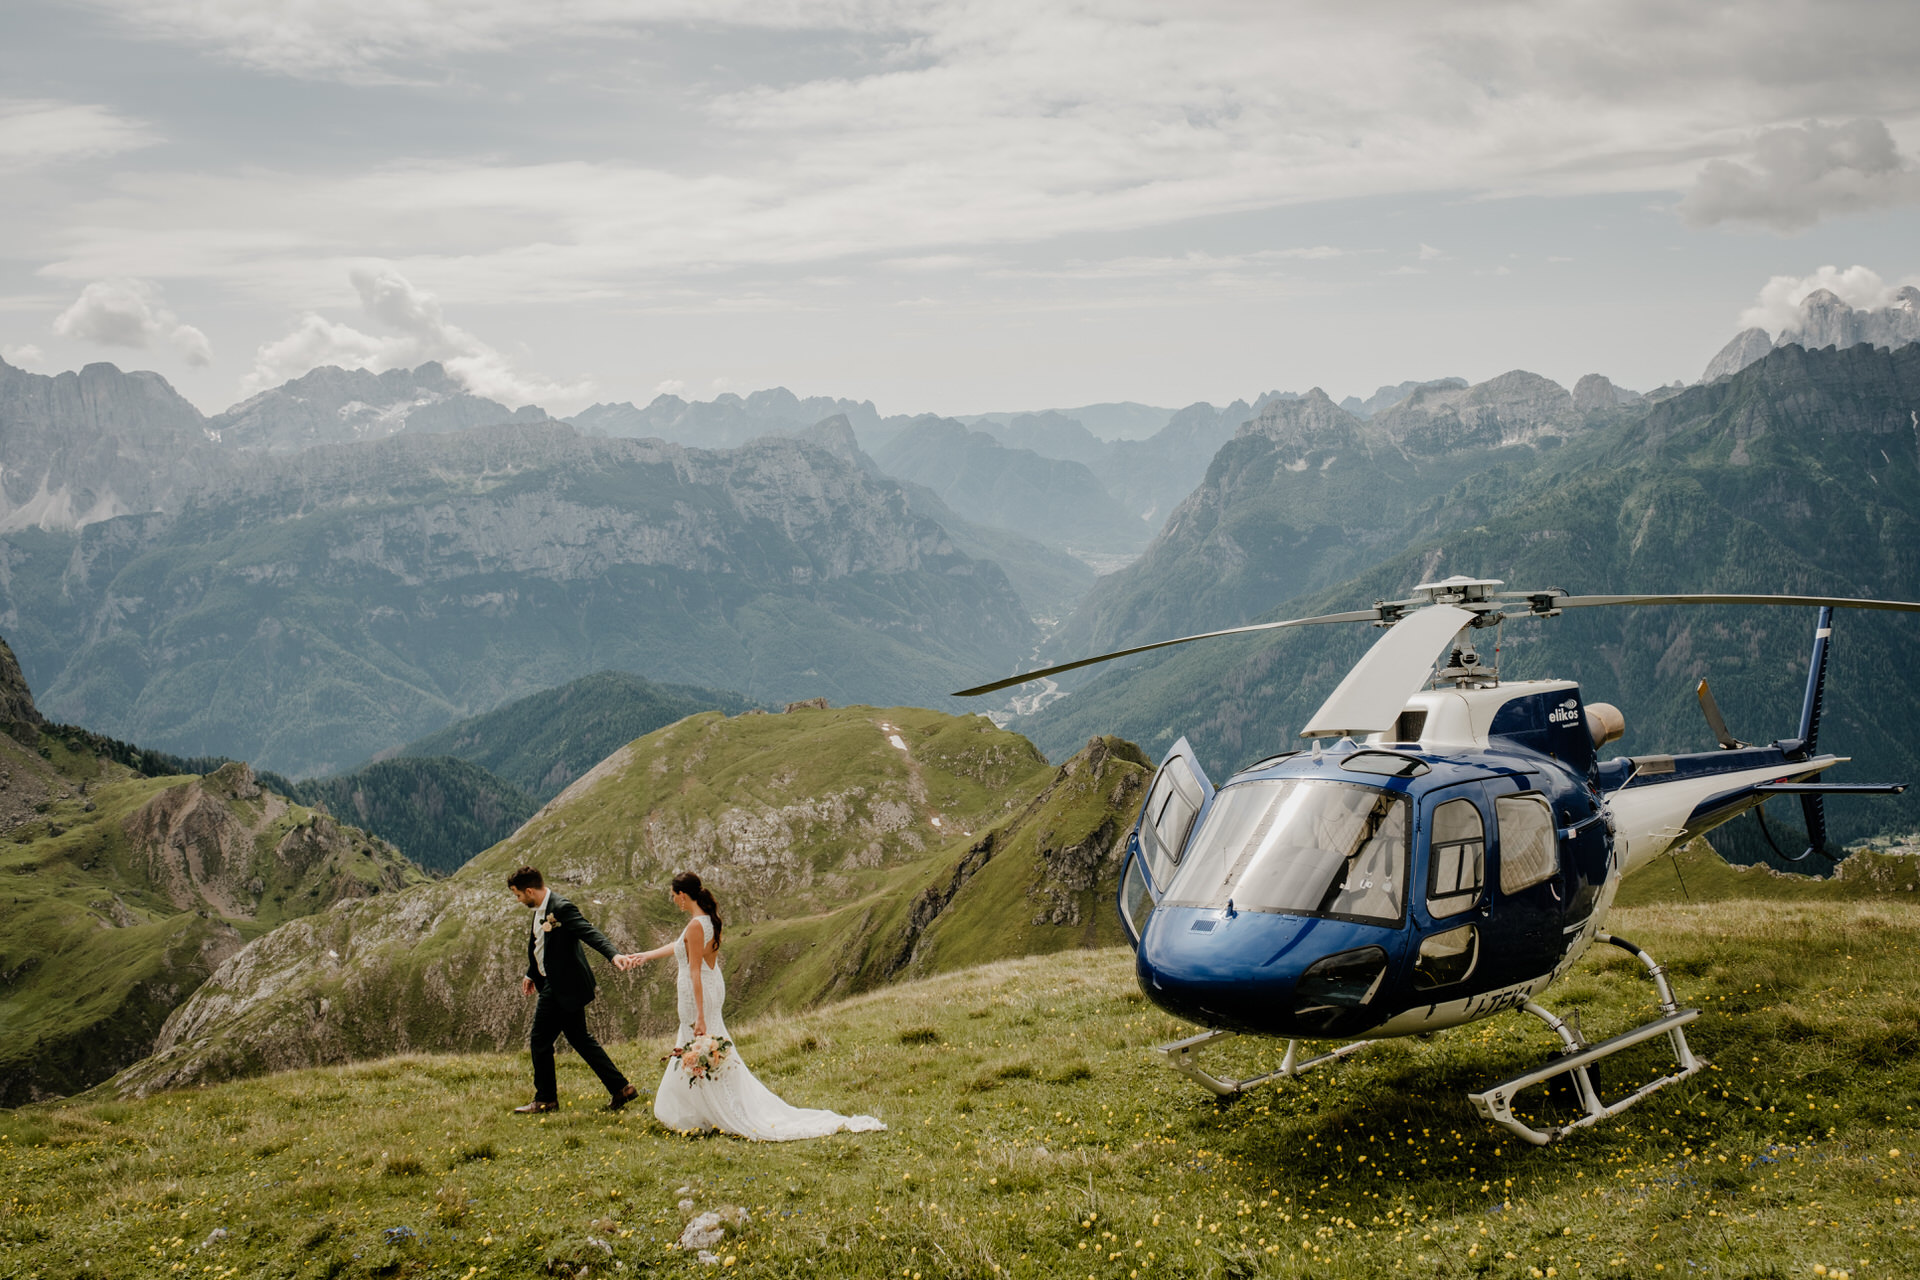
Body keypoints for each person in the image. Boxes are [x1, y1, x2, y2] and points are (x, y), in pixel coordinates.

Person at [614, 871, 885, 1140]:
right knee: (703, 1048)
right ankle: (699, 1108)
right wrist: (645, 956)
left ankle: (706, 1109)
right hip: (708, 988)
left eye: (674, 896)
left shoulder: (696, 925)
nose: (673, 900)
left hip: (698, 994)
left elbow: (694, 969)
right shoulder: (703, 920)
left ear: (683, 895)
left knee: (697, 1044)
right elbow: (680, 946)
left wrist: (699, 1016)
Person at [507, 865, 639, 1114]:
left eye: (518, 895)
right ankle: (621, 1088)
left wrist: (614, 955)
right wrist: (531, 973)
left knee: (539, 1041)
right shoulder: (539, 909)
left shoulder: (561, 907)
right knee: (580, 1038)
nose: (517, 900)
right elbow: (540, 945)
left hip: (561, 986)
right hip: (559, 984)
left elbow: (588, 932)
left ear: (529, 891)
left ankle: (546, 1099)